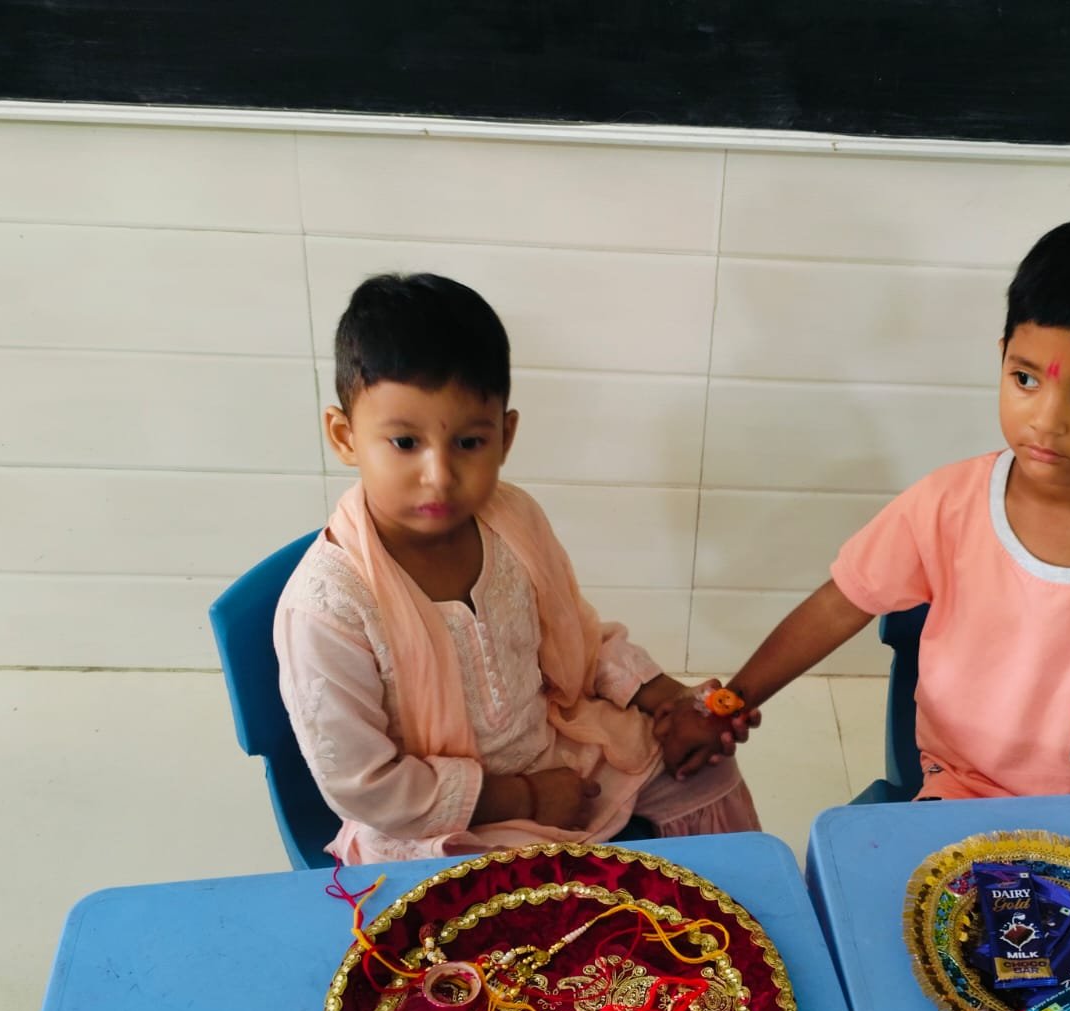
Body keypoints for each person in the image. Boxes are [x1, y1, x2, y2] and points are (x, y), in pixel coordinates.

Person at [671, 212, 1070, 799]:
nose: (1047, 420)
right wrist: (729, 703)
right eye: (1026, 379)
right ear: (1003, 358)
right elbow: (840, 604)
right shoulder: (945, 506)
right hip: (967, 789)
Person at [275, 273, 758, 864]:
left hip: (555, 748)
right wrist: (524, 797)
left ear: (504, 437)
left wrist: (666, 699)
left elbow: (575, 637)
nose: (440, 476)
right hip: (437, 820)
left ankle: (728, 901)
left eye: (468, 443)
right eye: (404, 443)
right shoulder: (327, 607)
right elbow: (366, 786)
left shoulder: (512, 518)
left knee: (703, 770)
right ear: (345, 436)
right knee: (523, 900)